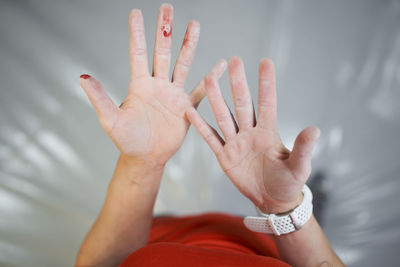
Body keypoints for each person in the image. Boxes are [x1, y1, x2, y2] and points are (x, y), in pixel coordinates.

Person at [75, 4, 345, 267]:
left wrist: (144, 163)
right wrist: (286, 208)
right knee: (301, 214)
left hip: (155, 234)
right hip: (266, 244)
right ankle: (307, 209)